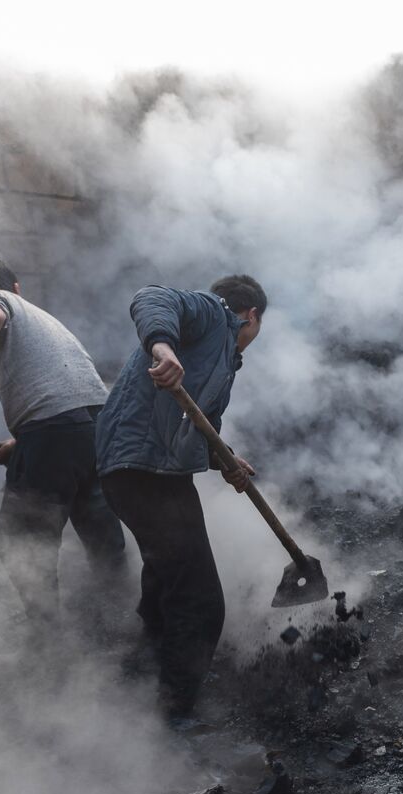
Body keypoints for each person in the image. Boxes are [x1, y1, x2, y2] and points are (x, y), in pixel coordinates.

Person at [0, 258, 126, 632]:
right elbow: (70, 400)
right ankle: (117, 620)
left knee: (23, 539)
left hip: (54, 429)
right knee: (99, 527)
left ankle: (47, 639)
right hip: (96, 427)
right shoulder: (40, 316)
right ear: (18, 287)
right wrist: (19, 444)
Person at [95, 276, 265, 720]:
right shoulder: (214, 314)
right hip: (145, 468)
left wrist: (226, 461)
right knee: (201, 602)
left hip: (149, 472)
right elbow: (152, 296)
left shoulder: (223, 362)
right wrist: (162, 348)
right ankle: (171, 718)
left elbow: (200, 425)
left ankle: (137, 681)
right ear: (253, 316)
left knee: (165, 582)